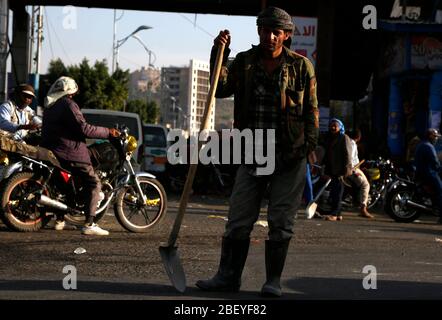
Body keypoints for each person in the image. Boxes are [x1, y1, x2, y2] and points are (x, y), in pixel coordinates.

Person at [195, 7, 319, 297]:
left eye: (276, 32)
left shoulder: (301, 67)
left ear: (286, 36)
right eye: (265, 30)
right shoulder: (245, 63)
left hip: (289, 156)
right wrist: (219, 54)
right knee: (238, 220)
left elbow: (311, 113)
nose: (270, 36)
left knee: (280, 222)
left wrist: (308, 149)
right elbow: (221, 88)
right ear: (258, 32)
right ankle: (227, 277)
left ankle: (272, 281)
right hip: (252, 154)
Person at [40, 76, 120, 235]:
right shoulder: (68, 104)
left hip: (53, 150)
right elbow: (84, 129)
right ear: (70, 92)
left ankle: (60, 217)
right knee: (94, 183)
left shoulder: (51, 106)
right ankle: (89, 224)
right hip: (69, 151)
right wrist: (108, 132)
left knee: (67, 184)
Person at [321, 118, 352, 221]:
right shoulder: (330, 138)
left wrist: (346, 170)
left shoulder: (344, 138)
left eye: (336, 126)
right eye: (332, 125)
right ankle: (338, 214)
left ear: (340, 127)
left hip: (340, 170)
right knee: (335, 192)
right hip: (332, 169)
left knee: (337, 193)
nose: (333, 127)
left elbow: (348, 155)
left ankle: (334, 214)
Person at [414, 128, 442, 224]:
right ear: (430, 136)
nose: (436, 139)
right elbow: (435, 162)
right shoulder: (429, 146)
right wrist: (439, 168)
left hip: (421, 172)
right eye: (435, 137)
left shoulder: (422, 144)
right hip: (428, 173)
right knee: (440, 190)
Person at [347, 129, 374, 218]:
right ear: (359, 137)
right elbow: (350, 159)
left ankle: (357, 199)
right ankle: (363, 208)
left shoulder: (349, 142)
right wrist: (354, 170)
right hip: (352, 169)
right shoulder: (352, 144)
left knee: (366, 174)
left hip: (354, 167)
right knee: (365, 185)